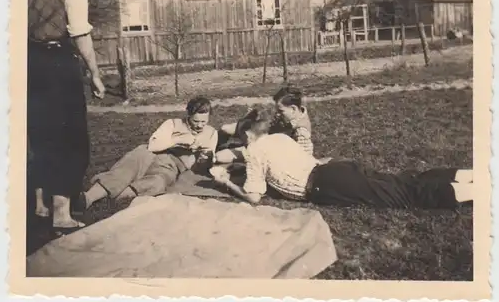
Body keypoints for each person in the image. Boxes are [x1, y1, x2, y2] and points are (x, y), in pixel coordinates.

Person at [211, 112, 474, 209]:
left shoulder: (255, 152)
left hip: (326, 184)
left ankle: (472, 191)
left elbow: (254, 197)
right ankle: (468, 174)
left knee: (404, 196)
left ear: (247, 135)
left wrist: (226, 183)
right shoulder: (280, 138)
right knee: (405, 180)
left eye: (240, 138)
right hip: (334, 168)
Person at [27, 0, 106, 234]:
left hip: (25, 59)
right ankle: (61, 213)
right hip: (56, 59)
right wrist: (94, 73)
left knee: (39, 132)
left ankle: (40, 206)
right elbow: (79, 30)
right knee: (70, 137)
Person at [76, 96, 218, 211]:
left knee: (157, 182)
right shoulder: (173, 123)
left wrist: (203, 156)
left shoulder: (211, 133)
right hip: (149, 153)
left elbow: (208, 160)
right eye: (195, 121)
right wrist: (178, 141)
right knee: (126, 169)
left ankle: (117, 197)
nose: (199, 125)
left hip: (171, 164)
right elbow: (153, 145)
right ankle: (88, 198)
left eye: (203, 122)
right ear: (188, 115)